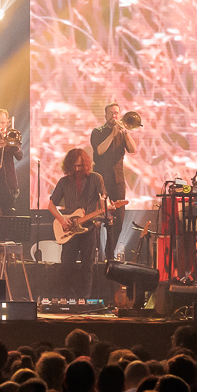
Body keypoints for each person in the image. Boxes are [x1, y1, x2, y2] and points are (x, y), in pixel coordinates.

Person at [50, 147, 109, 287]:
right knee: (67, 266)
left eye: (81, 166)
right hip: (69, 230)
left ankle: (85, 300)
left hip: (88, 229)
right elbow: (51, 205)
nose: (77, 169)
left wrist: (105, 205)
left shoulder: (96, 179)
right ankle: (68, 298)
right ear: (69, 165)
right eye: (74, 165)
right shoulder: (64, 182)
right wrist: (62, 220)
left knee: (87, 267)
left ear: (86, 164)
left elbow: (103, 200)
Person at [90, 104, 136, 259]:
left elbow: (133, 149)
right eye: (110, 113)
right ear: (105, 116)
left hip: (117, 180)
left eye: (116, 113)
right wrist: (112, 135)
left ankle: (110, 256)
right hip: (100, 181)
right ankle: (94, 254)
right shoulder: (98, 132)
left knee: (119, 221)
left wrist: (126, 133)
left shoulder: (122, 132)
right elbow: (99, 151)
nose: (113, 116)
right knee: (96, 219)